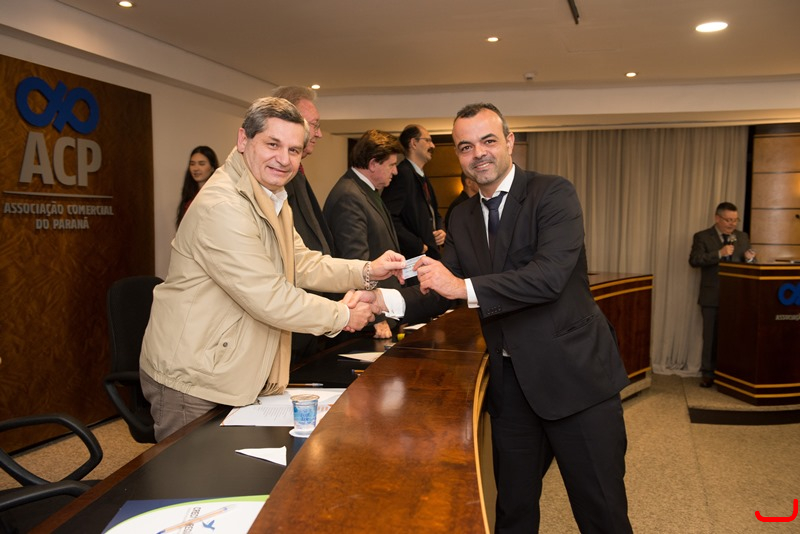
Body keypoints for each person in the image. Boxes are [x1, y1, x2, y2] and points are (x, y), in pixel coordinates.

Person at [371, 103, 632, 532]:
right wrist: (382, 301)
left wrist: (464, 287)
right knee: (512, 512)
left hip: (576, 380)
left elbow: (548, 278)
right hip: (511, 388)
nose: (479, 154)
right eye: (466, 147)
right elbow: (441, 285)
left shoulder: (553, 194)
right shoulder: (462, 215)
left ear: (509, 142)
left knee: (601, 513)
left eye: (488, 141)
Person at [140, 97, 406, 441]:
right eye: (272, 144)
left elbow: (302, 262)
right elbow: (269, 297)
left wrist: (367, 270)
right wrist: (343, 315)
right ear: (243, 140)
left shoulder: (271, 195)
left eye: (294, 150)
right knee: (193, 474)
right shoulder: (223, 205)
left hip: (232, 369)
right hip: (194, 380)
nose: (284, 159)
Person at [272, 86, 337, 364]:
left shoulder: (294, 173)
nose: (319, 134)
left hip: (305, 319)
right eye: (315, 125)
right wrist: (342, 314)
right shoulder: (274, 178)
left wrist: (366, 273)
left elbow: (307, 251)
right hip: (288, 320)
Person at [323, 130, 405, 339]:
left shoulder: (364, 191)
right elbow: (355, 260)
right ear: (373, 163)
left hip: (378, 309)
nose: (395, 171)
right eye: (391, 165)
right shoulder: (349, 195)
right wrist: (378, 318)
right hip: (365, 319)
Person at [689, 201, 756, 387]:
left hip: (737, 297)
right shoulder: (702, 236)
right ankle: (708, 374)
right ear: (717, 218)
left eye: (735, 220)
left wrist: (750, 259)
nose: (732, 224)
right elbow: (694, 260)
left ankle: (730, 373)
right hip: (712, 295)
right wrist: (719, 253)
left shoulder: (742, 237)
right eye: (728, 220)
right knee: (711, 337)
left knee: (735, 336)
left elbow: (749, 263)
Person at [381, 124, 446, 260]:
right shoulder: (402, 174)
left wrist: (440, 230)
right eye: (428, 140)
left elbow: (433, 212)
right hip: (413, 258)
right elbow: (388, 217)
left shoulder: (421, 175)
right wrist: (417, 245)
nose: (433, 145)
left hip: (429, 255)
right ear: (414, 143)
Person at [176, 146, 218, 227]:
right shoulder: (189, 194)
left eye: (201, 164)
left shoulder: (217, 194)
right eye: (192, 164)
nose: (196, 168)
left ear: (212, 167)